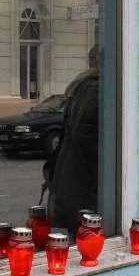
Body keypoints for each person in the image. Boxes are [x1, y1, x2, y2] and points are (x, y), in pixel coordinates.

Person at [43, 45, 100, 233]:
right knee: (83, 245)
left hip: (73, 187)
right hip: (82, 190)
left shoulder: (84, 85)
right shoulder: (94, 87)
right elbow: (87, 136)